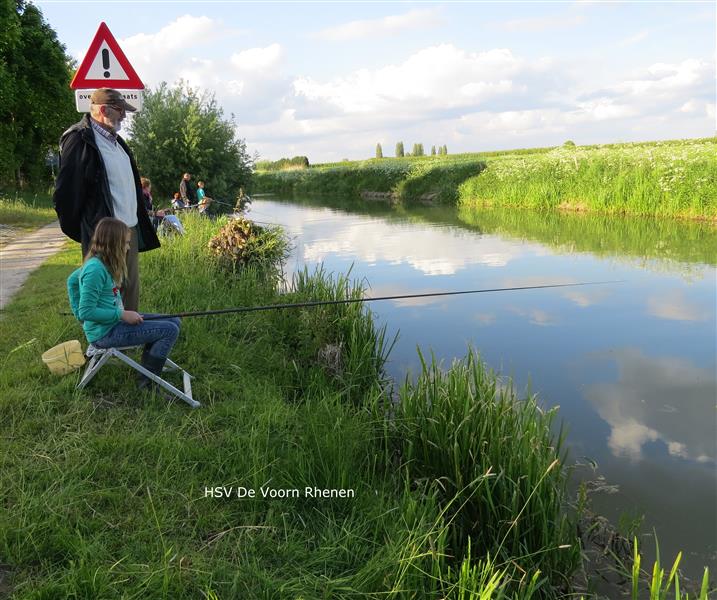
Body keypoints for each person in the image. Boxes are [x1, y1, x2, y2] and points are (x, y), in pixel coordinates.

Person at [53, 88, 159, 312]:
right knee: (105, 296)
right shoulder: (79, 139)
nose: (124, 115)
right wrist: (88, 230)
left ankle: (128, 333)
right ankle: (104, 336)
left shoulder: (117, 142)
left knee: (129, 292)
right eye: (120, 110)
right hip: (104, 233)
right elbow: (66, 194)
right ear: (103, 110)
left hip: (128, 230)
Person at [67, 217, 181, 388]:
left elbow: (71, 280)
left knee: (174, 320)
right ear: (113, 244)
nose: (128, 248)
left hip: (112, 324)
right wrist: (120, 314)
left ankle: (148, 369)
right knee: (169, 330)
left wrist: (119, 315)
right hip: (105, 333)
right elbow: (86, 311)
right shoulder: (95, 269)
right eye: (126, 243)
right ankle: (148, 384)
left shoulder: (102, 263)